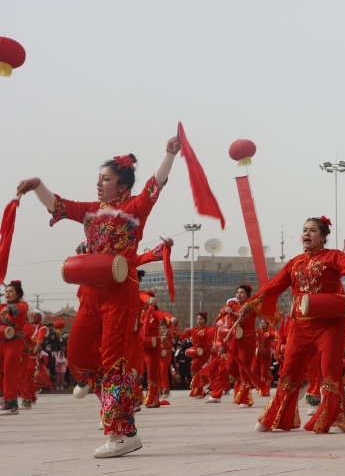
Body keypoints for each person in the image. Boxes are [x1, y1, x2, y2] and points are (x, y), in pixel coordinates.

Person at [16, 137, 179, 456]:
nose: (99, 183)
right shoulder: (90, 212)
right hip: (91, 297)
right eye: (99, 178)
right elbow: (58, 205)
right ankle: (118, 400)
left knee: (114, 361)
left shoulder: (134, 208)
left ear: (122, 185)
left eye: (105, 178)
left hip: (121, 294)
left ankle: (123, 432)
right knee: (76, 354)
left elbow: (154, 184)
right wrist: (38, 186)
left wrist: (169, 154)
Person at [239, 217, 345, 434]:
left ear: (323, 236)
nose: (307, 234)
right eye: (304, 230)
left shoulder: (333, 256)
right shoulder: (294, 263)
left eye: (313, 230)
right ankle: (280, 417)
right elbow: (273, 286)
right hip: (300, 326)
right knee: (289, 372)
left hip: (330, 326)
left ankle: (336, 419)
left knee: (330, 371)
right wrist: (250, 306)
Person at [0, 281, 29, 415]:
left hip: (15, 341)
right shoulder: (2, 307)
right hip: (2, 342)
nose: (7, 293)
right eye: (6, 291)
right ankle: (3, 397)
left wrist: (9, 309)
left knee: (10, 372)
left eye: (11, 291)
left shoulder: (22, 305)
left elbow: (17, 310)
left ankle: (11, 405)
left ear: (18, 294)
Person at [181, 312, 214, 398]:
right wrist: (185, 331)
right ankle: (200, 392)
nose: (199, 321)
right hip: (196, 353)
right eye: (198, 319)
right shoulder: (193, 330)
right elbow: (183, 337)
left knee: (193, 368)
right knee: (197, 371)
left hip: (205, 351)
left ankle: (207, 381)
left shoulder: (208, 329)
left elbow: (213, 333)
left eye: (201, 319)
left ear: (205, 320)